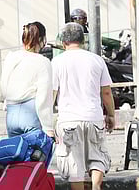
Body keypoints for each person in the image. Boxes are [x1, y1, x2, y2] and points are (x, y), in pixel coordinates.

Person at [52, 22, 115, 190]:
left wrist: (47, 121)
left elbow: (51, 94)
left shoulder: (57, 62)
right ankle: (95, 186)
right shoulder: (97, 60)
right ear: (83, 40)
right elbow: (107, 93)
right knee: (97, 156)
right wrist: (111, 115)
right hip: (93, 117)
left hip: (69, 120)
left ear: (63, 42)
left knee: (74, 167)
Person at [0, 22, 54, 137]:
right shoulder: (43, 62)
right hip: (31, 114)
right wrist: (48, 126)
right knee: (36, 154)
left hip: (11, 115)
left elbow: (4, 86)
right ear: (42, 39)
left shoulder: (11, 57)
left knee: (16, 152)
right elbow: (43, 97)